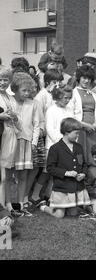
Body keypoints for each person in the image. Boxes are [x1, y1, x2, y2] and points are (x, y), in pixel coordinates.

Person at [30, 85, 74, 205]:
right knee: (47, 171)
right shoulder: (51, 110)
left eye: (69, 98)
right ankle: (34, 195)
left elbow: (72, 126)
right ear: (58, 97)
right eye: (65, 97)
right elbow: (50, 129)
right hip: (53, 146)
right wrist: (60, 143)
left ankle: (50, 195)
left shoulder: (69, 109)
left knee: (60, 172)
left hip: (67, 145)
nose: (67, 100)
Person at [40, 118, 91, 219]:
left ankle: (70, 207)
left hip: (76, 187)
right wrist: (66, 173)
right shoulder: (55, 148)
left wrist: (83, 174)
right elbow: (50, 168)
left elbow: (84, 164)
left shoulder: (78, 147)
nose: (77, 136)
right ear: (67, 132)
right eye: (76, 133)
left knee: (73, 213)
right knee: (59, 215)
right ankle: (44, 207)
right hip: (62, 188)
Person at [5, 73, 40, 217]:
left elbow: (37, 124)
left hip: (26, 142)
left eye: (28, 90)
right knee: (8, 175)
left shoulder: (33, 104)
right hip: (11, 141)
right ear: (15, 89)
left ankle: (20, 204)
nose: (26, 93)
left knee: (23, 176)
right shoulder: (9, 101)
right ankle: (7, 204)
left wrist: (34, 142)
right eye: (23, 90)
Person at [67, 65, 96, 166]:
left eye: (89, 78)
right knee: (79, 156)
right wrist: (85, 125)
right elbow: (70, 114)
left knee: (92, 156)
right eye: (84, 78)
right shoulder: (73, 93)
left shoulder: (94, 95)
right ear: (79, 78)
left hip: (92, 131)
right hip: (79, 129)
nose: (86, 81)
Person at [0, 68, 20, 215]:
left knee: (6, 174)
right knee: (1, 174)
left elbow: (17, 117)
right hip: (1, 135)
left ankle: (7, 203)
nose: (2, 82)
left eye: (5, 80)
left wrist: (14, 116)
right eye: (0, 79)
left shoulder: (10, 97)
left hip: (10, 134)